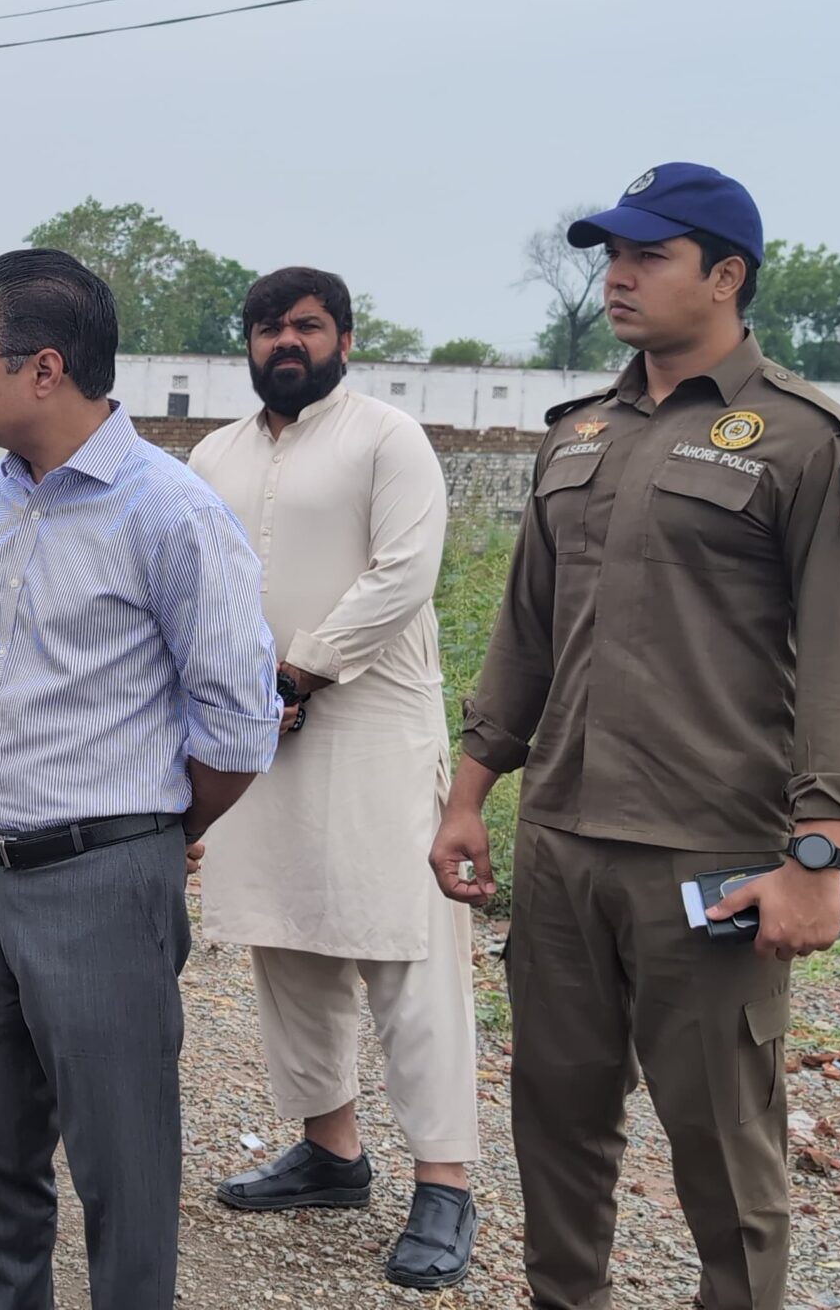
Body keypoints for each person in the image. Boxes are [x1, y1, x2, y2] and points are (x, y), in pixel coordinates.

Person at [430, 163, 840, 1310]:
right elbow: (528, 631)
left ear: (726, 276)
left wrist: (816, 856)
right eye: (612, 255)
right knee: (555, 1125)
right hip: (562, 843)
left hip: (708, 853)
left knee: (724, 1153)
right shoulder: (578, 435)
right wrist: (468, 795)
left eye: (649, 256)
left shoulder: (807, 442)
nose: (618, 276)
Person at [0, 248, 279, 1307]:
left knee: (121, 1173)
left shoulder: (171, 515)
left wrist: (149, 833)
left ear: (44, 369)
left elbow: (239, 727)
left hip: (99, 881)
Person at [189, 266, 477, 1289]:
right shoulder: (214, 454)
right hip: (257, 728)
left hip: (370, 725)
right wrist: (237, 691)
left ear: (344, 340)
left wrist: (299, 670)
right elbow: (200, 581)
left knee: (404, 947)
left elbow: (404, 573)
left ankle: (444, 1181)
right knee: (285, 934)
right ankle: (330, 1151)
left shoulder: (388, 438)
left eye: (306, 327)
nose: (286, 343)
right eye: (268, 328)